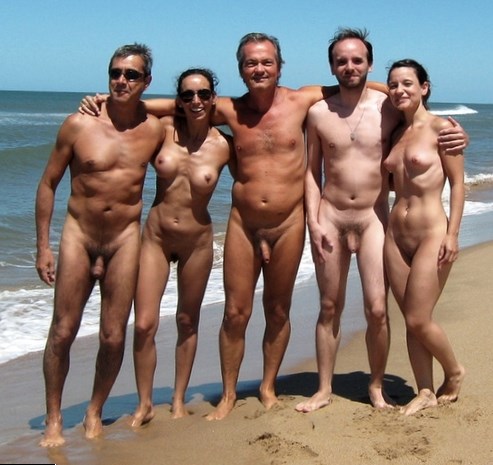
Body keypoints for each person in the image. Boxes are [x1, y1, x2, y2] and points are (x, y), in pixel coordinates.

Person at [79, 32, 468, 421]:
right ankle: (233, 394)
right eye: (251, 62)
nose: (259, 68)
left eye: (266, 61)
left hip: (309, 222)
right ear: (241, 69)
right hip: (251, 222)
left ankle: (293, 387)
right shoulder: (232, 108)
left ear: (280, 67)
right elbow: (182, 104)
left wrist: (445, 126)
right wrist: (114, 102)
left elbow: (384, 94)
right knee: (240, 312)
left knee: (311, 310)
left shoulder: (308, 101)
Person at [295, 28, 468, 413]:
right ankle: (324, 389)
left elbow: (422, 119)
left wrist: (460, 137)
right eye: (341, 61)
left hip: (376, 219)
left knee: (379, 309)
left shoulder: (388, 109)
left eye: (357, 60)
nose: (350, 66)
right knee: (329, 306)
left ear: (368, 64)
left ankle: (377, 386)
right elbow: (311, 172)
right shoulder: (318, 113)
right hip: (332, 216)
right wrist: (313, 222)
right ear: (332, 66)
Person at [35, 43, 164, 447]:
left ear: (147, 81)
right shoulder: (79, 123)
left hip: (124, 239)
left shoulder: (154, 129)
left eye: (132, 75)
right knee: (63, 331)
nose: (121, 80)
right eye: (115, 73)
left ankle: (94, 411)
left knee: (113, 335)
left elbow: (195, 110)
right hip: (79, 235)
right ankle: (54, 417)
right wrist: (43, 246)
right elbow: (48, 183)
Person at [130, 68, 233, 427]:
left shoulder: (224, 145)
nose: (196, 101)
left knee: (187, 321)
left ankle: (177, 400)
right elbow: (133, 107)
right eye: (187, 95)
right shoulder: (162, 131)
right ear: (178, 100)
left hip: (197, 242)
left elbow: (255, 183)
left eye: (203, 94)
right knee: (144, 324)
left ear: (213, 98)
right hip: (156, 238)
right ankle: (144, 403)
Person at [383, 59, 465, 415]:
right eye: (393, 84)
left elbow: (458, 184)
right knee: (410, 320)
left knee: (419, 317)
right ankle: (425, 390)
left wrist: (453, 234)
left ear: (424, 88)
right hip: (395, 236)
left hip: (432, 233)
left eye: (408, 83)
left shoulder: (442, 128)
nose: (399, 90)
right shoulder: (394, 134)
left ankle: (454, 371)